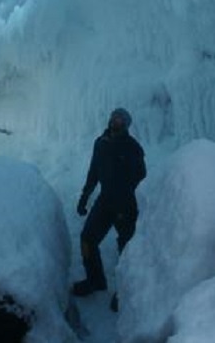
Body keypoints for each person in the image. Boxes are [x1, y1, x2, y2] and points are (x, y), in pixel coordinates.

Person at [72, 107, 146, 308]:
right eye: (114, 117)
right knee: (87, 238)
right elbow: (93, 173)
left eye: (121, 119)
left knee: (126, 249)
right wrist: (84, 197)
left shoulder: (133, 148)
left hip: (126, 205)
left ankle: (124, 293)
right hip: (105, 201)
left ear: (127, 124)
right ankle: (95, 281)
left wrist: (129, 194)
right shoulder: (101, 143)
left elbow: (142, 177)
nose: (116, 121)